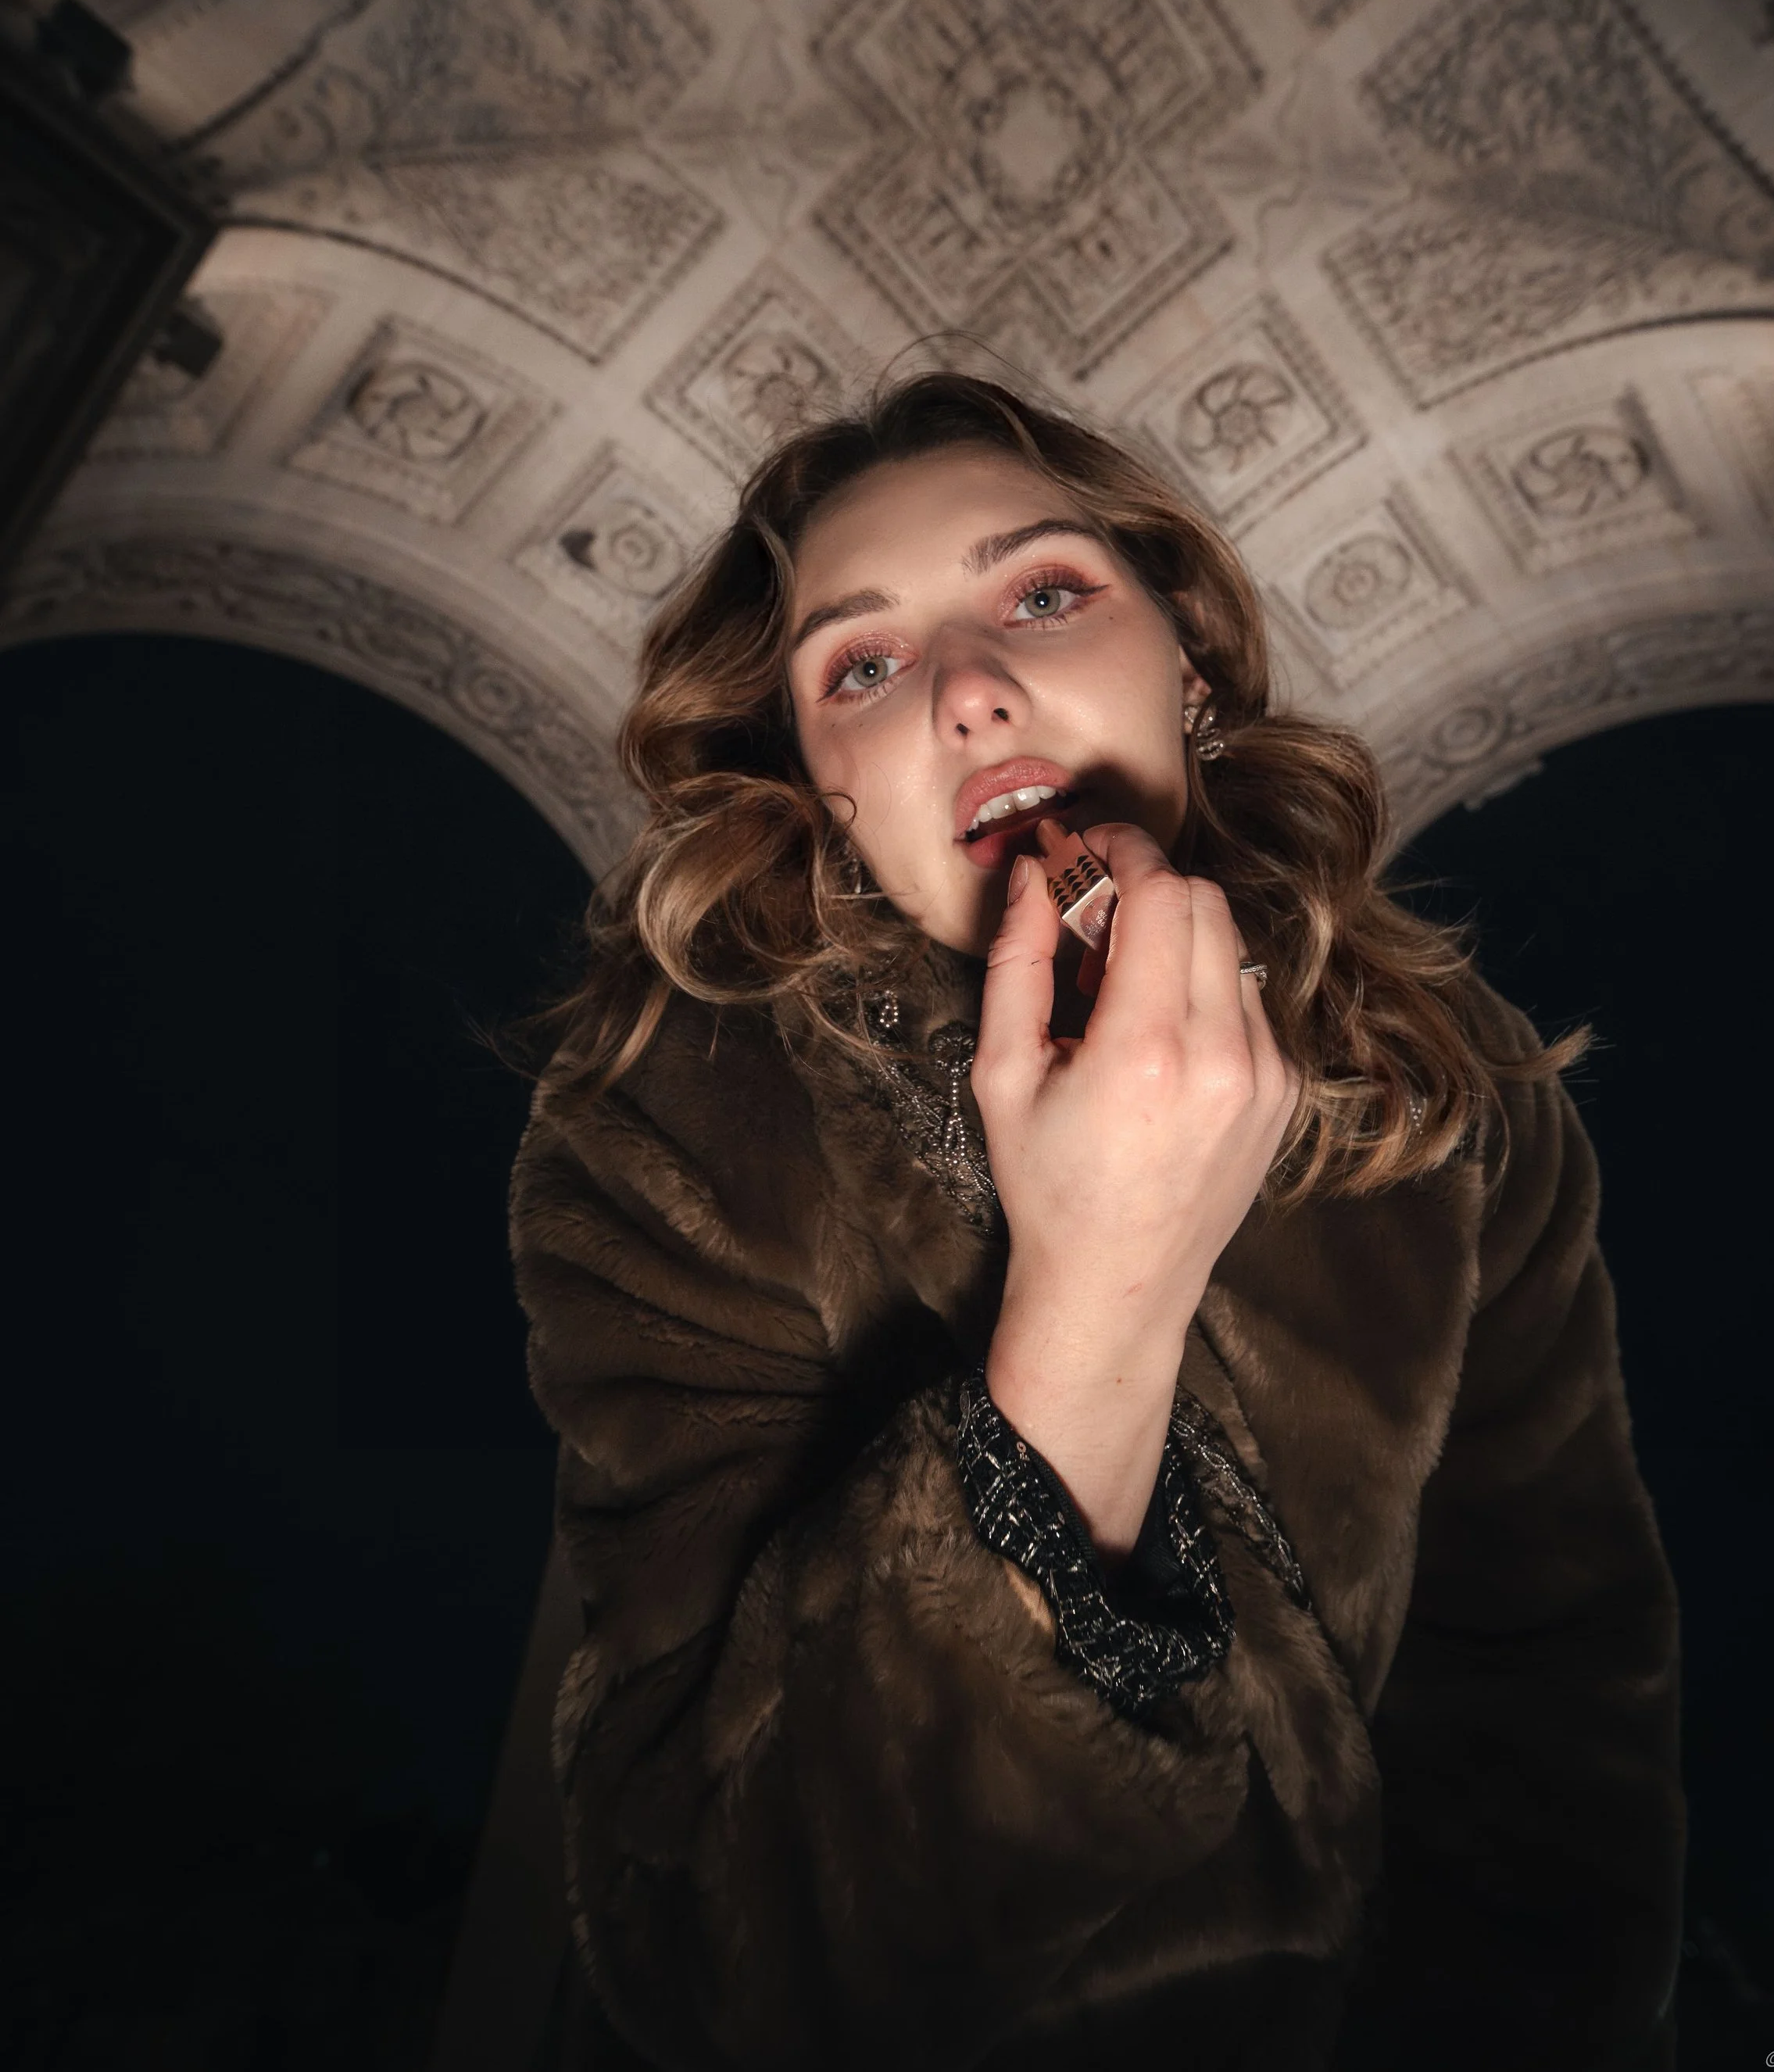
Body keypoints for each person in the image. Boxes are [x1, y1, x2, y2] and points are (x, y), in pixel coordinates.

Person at [509, 370, 1685, 2070]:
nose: (970, 690)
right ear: (820, 787)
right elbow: (730, 1950)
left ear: (1187, 658)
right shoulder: (664, 1129)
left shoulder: (1452, 1087)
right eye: (862, 666)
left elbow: (1559, 1712)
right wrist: (1096, 1293)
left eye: (1043, 594)